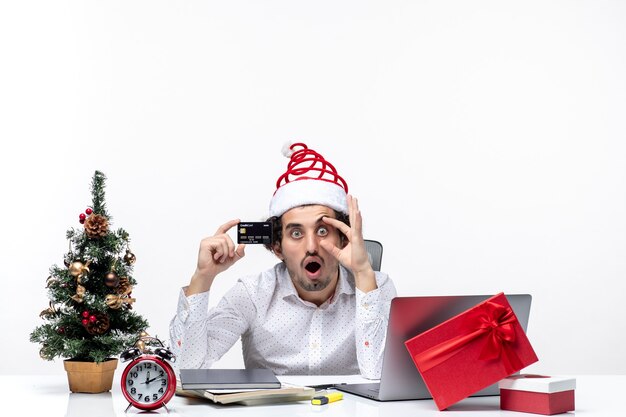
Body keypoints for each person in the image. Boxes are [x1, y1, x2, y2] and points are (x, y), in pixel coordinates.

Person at [169, 142, 397, 378]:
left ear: (343, 238)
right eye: (296, 233)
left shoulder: (377, 287)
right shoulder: (253, 294)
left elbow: (378, 375)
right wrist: (202, 278)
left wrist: (362, 273)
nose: (311, 247)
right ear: (277, 247)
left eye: (322, 231)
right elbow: (185, 371)